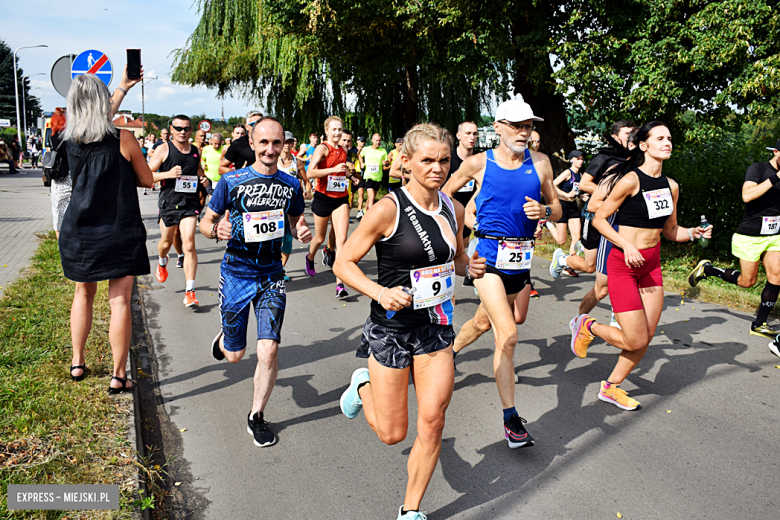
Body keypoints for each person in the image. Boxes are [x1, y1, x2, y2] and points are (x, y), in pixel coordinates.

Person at [334, 123, 486, 520]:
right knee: (392, 434)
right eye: (428, 160)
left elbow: (456, 258)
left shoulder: (454, 209)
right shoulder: (389, 209)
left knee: (433, 420)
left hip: (436, 327)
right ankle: (362, 385)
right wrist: (380, 292)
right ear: (407, 162)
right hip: (392, 330)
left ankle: (411, 509)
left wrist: (472, 266)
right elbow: (343, 262)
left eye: (444, 161)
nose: (437, 168)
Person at [443, 96, 561, 448]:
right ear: (497, 127)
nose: (524, 133)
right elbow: (444, 198)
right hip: (488, 257)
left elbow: (557, 208)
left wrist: (545, 211)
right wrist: (459, 243)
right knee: (507, 334)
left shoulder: (540, 163)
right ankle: (511, 420)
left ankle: (447, 352)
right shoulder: (479, 163)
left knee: (482, 323)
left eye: (529, 126)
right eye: (517, 126)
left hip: (520, 259)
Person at [570, 121, 713, 410]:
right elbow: (598, 219)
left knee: (645, 336)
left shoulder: (671, 186)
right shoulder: (630, 180)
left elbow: (672, 231)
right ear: (644, 145)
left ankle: (611, 387)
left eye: (670, 138)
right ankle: (588, 325)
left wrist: (694, 233)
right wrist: (627, 244)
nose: (667, 142)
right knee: (634, 339)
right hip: (623, 264)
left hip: (651, 266)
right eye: (660, 138)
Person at [200, 117, 312, 447]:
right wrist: (215, 230)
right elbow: (206, 222)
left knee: (268, 350)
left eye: (276, 143)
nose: (270, 149)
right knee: (236, 355)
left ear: (284, 145)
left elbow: (296, 222)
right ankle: (225, 341)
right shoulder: (231, 182)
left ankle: (256, 416)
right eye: (263, 143)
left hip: (271, 276)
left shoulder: (290, 185)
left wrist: (302, 232)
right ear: (252, 144)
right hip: (236, 274)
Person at [58, 74, 154, 391]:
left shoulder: (67, 140)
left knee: (83, 294)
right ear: (104, 104)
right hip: (119, 230)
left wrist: (123, 87)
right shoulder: (124, 139)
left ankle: (77, 362)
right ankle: (118, 375)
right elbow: (147, 180)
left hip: (79, 231)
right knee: (120, 302)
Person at [689, 139, 780, 340]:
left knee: (777, 277)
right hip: (750, 235)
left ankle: (759, 324)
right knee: (748, 282)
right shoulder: (758, 169)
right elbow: (746, 195)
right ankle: (708, 269)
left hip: (775, 236)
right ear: (776, 152)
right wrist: (776, 178)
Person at [148, 115, 206, 308]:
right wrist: (168, 174)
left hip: (189, 203)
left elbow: (198, 172)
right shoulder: (163, 149)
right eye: (178, 128)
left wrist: (203, 179)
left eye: (186, 129)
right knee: (165, 242)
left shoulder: (195, 150)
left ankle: (190, 291)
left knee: (189, 244)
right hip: (169, 202)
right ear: (171, 129)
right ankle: (162, 260)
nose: (182, 132)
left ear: (191, 131)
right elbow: (146, 175)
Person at [303, 116, 352, 298]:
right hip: (323, 197)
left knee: (342, 240)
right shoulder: (322, 148)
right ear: (327, 131)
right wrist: (332, 170)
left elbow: (342, 171)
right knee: (319, 237)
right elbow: (310, 173)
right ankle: (310, 257)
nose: (338, 133)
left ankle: (340, 284)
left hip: (340, 198)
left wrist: (349, 173)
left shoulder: (344, 149)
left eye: (340, 129)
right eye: (334, 130)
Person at [278, 130, 312, 280]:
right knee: (273, 239)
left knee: (288, 239)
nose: (287, 145)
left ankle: (281, 269)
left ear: (293, 144)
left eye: (290, 142)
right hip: (274, 206)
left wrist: (308, 191)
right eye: (285, 142)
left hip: (291, 206)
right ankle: (271, 268)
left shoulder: (296, 162)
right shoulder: (273, 160)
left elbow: (306, 181)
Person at [549, 150, 585, 276]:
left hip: (573, 206)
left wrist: (582, 196)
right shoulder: (567, 173)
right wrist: (566, 194)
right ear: (571, 160)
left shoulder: (580, 175)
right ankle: (547, 223)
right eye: (577, 158)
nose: (580, 161)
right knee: (561, 240)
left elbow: (576, 191)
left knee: (576, 237)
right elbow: (552, 185)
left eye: (581, 158)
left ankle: (569, 265)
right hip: (562, 205)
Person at [360, 133, 390, 211]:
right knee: (372, 197)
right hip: (368, 176)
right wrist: (361, 163)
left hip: (378, 177)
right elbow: (360, 155)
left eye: (379, 141)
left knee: (371, 198)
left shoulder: (383, 151)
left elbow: (387, 163)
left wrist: (385, 163)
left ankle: (365, 211)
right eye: (376, 140)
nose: (378, 142)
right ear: (372, 140)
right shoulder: (366, 149)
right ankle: (370, 217)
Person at [352, 135, 368, 218]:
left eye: (364, 141)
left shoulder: (367, 150)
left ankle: (359, 210)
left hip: (362, 173)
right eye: (361, 141)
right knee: (351, 194)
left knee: (361, 193)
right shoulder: (353, 150)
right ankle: (348, 211)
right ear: (357, 141)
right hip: (354, 173)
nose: (363, 143)